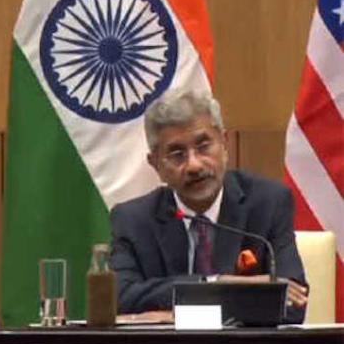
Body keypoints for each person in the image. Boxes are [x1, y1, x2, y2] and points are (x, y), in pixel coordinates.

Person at [109, 89, 308, 324]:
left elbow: (292, 303)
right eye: (177, 154)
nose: (194, 165)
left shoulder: (268, 203)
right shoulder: (133, 219)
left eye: (203, 146)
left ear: (224, 144)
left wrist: (175, 315)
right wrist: (215, 284)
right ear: (155, 165)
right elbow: (119, 298)